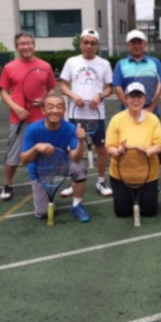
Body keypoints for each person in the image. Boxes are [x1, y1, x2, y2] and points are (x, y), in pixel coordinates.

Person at [0, 31, 57, 201]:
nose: (26, 47)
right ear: (17, 47)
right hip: (19, 120)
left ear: (34, 45)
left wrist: (45, 100)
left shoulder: (45, 66)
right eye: (22, 44)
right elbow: (3, 91)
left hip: (41, 119)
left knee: (44, 153)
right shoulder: (9, 67)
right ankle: (8, 185)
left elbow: (52, 88)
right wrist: (15, 108)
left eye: (29, 43)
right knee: (13, 155)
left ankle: (43, 183)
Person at [60, 28, 114, 197]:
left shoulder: (104, 64)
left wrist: (100, 96)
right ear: (80, 43)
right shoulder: (71, 62)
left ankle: (101, 181)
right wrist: (73, 95)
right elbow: (63, 86)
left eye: (93, 43)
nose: (89, 46)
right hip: (75, 114)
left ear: (97, 45)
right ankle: (74, 181)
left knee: (101, 149)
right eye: (86, 42)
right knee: (73, 148)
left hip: (97, 115)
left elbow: (110, 88)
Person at [20, 95, 90, 222]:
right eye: (50, 107)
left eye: (59, 107)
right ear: (43, 111)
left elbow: (76, 158)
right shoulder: (33, 129)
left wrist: (81, 142)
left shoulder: (71, 128)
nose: (55, 110)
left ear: (64, 110)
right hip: (40, 169)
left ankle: (77, 205)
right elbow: (24, 160)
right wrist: (36, 148)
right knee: (42, 213)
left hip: (61, 163)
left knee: (79, 168)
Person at [105, 82, 161, 218]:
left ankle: (146, 193)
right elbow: (109, 147)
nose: (136, 100)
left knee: (149, 213)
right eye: (132, 96)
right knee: (122, 213)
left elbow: (159, 145)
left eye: (139, 96)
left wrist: (149, 151)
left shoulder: (153, 120)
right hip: (121, 176)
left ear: (145, 99)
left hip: (148, 177)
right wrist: (118, 150)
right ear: (126, 98)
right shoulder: (116, 119)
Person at [112, 29, 161, 114]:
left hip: (152, 113)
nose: (137, 45)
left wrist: (151, 108)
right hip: (128, 114)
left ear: (145, 44)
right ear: (128, 45)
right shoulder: (120, 64)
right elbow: (118, 88)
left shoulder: (155, 62)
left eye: (140, 43)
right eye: (133, 43)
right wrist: (132, 107)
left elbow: (160, 86)